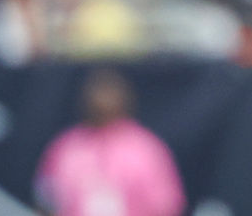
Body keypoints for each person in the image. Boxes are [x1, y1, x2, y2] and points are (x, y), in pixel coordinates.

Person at [33, 68, 186, 216]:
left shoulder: (146, 150)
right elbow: (46, 202)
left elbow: (167, 207)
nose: (101, 100)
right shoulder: (65, 148)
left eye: (109, 94)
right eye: (97, 93)